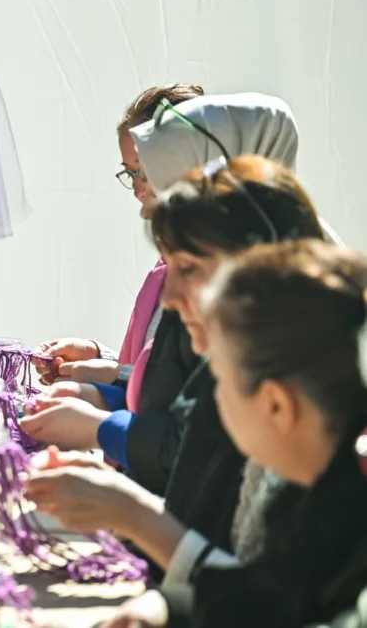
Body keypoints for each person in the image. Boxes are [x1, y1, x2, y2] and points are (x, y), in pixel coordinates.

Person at [24, 155, 327, 584]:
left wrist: (131, 510)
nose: (167, 297)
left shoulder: (311, 412)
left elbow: (272, 599)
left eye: (188, 269)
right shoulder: (223, 374)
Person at [24, 92, 340, 496]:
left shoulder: (282, 310)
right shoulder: (212, 280)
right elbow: (178, 396)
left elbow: (199, 454)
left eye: (151, 173)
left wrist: (100, 425)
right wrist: (101, 391)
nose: (143, 195)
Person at [100, 240, 367, 628]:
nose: (207, 399)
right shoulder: (312, 493)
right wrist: (168, 609)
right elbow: (269, 598)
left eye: (218, 380)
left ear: (277, 405)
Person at [35, 83, 205, 394]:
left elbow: (189, 397)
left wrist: (112, 379)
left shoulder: (214, 270)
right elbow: (156, 369)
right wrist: (98, 356)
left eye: (146, 172)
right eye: (131, 174)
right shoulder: (169, 265)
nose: (140, 192)